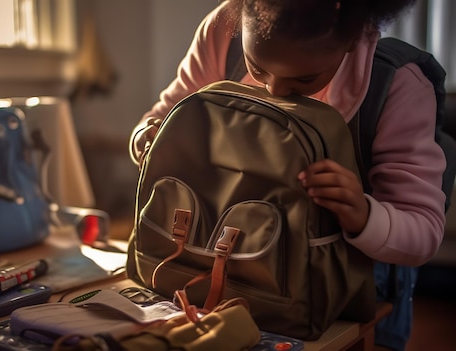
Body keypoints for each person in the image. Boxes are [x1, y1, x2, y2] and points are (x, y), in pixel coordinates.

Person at [128, 1, 446, 350]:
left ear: (352, 38)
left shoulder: (396, 84)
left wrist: (363, 215)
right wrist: (147, 137)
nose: (275, 89)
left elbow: (424, 230)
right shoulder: (224, 29)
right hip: (209, 265)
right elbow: (166, 115)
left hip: (344, 298)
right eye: (257, 67)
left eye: (305, 78)